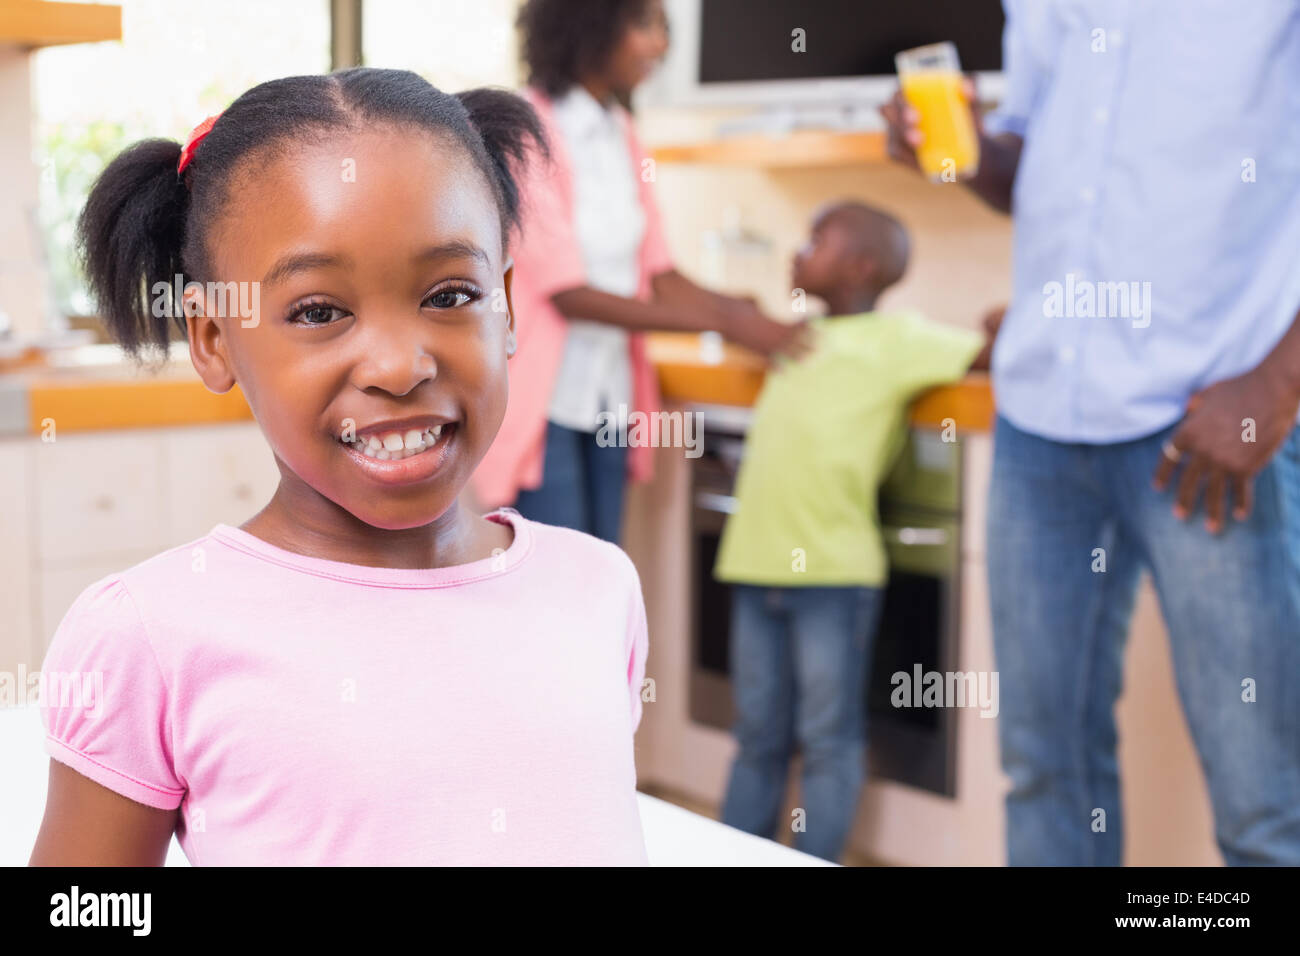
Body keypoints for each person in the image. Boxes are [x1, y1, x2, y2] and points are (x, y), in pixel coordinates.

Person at [30, 69, 652, 866]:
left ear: (505, 305)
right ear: (214, 338)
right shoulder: (149, 636)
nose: (398, 365)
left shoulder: (599, 588)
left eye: (450, 294)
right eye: (320, 312)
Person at [882, 0, 1300, 864]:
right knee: (1043, 770)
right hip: (1041, 419)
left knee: (1266, 802)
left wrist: (1277, 382)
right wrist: (958, 151)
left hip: (1212, 423)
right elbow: (1031, 167)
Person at [713, 201, 992, 862]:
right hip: (752, 565)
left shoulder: (900, 341)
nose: (798, 253)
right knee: (756, 735)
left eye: (817, 241)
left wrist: (1009, 326)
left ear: (861, 266)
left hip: (833, 578)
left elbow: (988, 354)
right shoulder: (788, 338)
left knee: (828, 740)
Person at [470, 0, 809, 543]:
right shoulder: (523, 131)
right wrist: (724, 324)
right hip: (544, 402)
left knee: (602, 572)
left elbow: (658, 271)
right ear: (590, 23)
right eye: (644, 26)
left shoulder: (621, 130)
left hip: (609, 397)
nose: (660, 46)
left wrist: (738, 310)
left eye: (663, 29)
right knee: (557, 585)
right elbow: (569, 293)